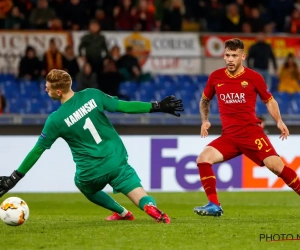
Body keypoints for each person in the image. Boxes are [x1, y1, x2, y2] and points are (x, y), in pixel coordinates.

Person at [0, 69, 183, 223]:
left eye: (47, 88)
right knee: (139, 195)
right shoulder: (93, 95)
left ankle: (122, 213)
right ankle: (150, 207)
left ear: (58, 92)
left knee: (83, 185)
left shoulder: (55, 120)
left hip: (90, 172)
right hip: (116, 160)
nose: (45, 89)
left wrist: (14, 178)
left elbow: (38, 150)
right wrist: (157, 105)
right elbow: (124, 106)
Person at [194, 38, 300, 217]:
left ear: (242, 56)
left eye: (234, 56)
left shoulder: (253, 77)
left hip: (251, 134)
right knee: (203, 159)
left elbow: (269, 100)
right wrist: (204, 120)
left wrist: (279, 121)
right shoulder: (216, 77)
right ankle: (214, 204)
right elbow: (204, 100)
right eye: (227, 55)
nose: (230, 59)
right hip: (229, 137)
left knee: (276, 166)